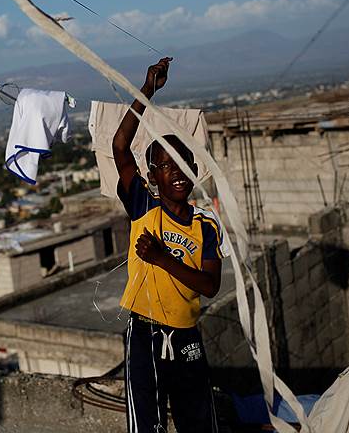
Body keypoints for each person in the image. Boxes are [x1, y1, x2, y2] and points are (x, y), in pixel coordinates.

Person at [112, 58, 222, 433]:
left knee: (199, 421)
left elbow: (209, 286)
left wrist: (160, 258)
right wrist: (147, 90)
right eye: (165, 165)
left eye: (182, 163)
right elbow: (120, 145)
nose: (175, 172)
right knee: (147, 424)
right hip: (144, 334)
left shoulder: (205, 225)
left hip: (187, 334)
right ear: (153, 176)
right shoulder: (143, 206)